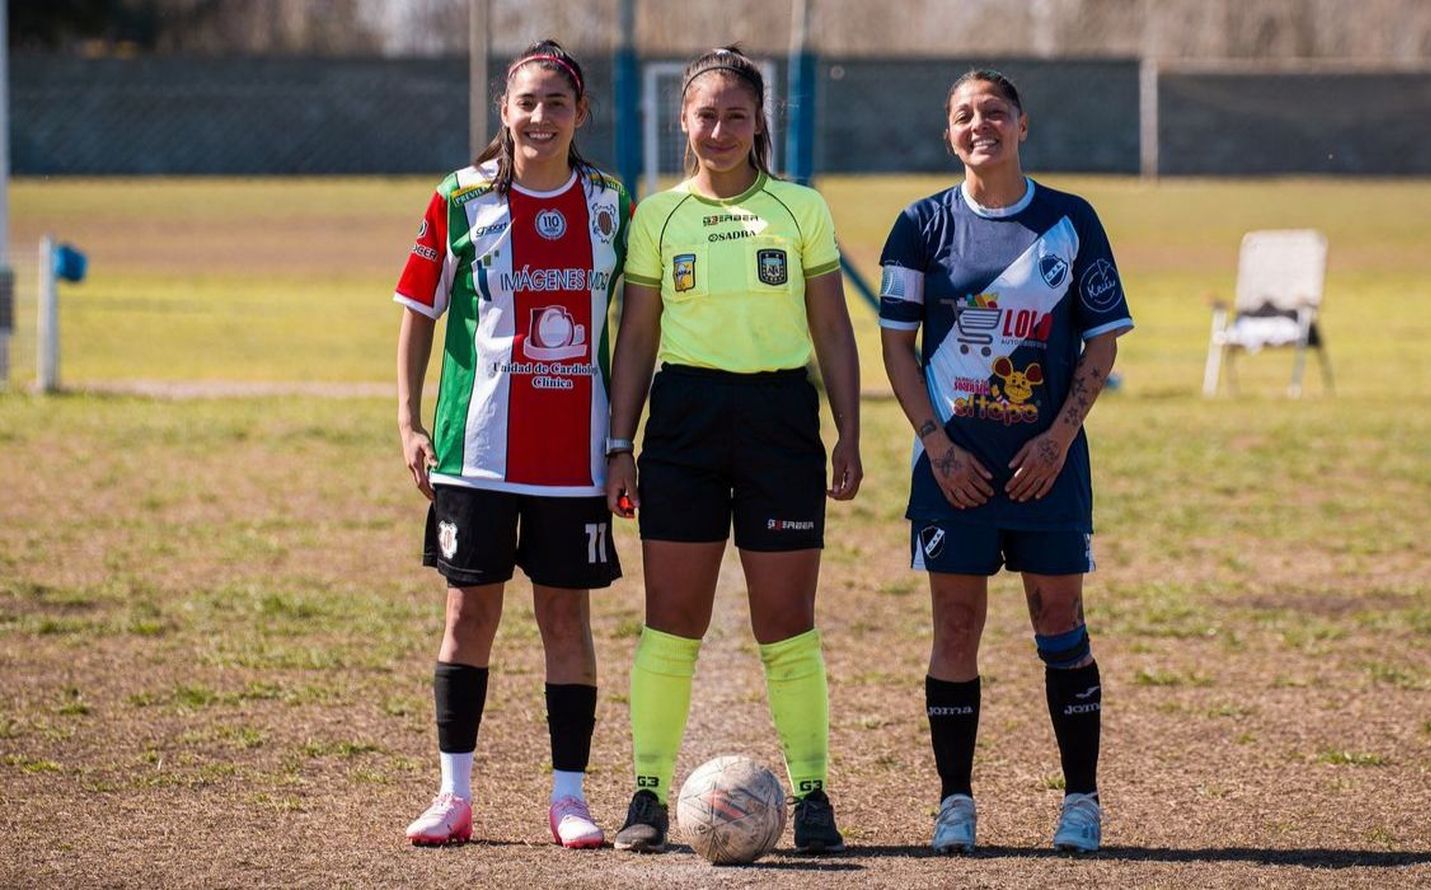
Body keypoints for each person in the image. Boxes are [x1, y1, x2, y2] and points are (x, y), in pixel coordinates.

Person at [603, 46, 862, 855]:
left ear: (760, 124)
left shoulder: (799, 210)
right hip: (683, 420)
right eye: (706, 115)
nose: (720, 130)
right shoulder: (657, 215)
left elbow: (831, 326)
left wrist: (848, 429)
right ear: (682, 120)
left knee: (787, 625)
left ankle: (813, 793)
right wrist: (620, 442)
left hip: (780, 418)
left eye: (736, 116)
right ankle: (645, 792)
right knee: (670, 623)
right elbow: (637, 336)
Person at [878, 69, 1132, 855]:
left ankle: (1081, 803)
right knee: (956, 627)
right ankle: (955, 804)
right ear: (947, 132)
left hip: (1047, 470)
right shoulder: (920, 226)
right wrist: (938, 446)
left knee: (1060, 624)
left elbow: (1103, 337)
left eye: (993, 112)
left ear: (1022, 125)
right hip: (955, 470)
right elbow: (894, 344)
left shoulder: (1070, 220)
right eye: (963, 115)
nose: (978, 124)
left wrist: (1057, 439)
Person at [392, 39, 631, 850]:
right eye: (525, 102)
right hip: (475, 453)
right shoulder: (458, 199)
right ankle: (453, 797)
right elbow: (418, 314)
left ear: (580, 114)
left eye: (555, 103)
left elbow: (635, 329)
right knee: (468, 615)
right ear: (503, 110)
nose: (539, 117)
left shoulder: (609, 203)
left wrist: (622, 439)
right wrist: (409, 419)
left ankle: (569, 799)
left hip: (574, 459)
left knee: (566, 619)